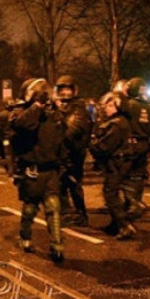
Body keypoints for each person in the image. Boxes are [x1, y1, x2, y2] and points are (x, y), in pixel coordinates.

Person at [10, 78, 67, 261]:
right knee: (30, 209)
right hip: (31, 169)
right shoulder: (20, 111)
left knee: (53, 207)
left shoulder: (54, 114)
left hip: (50, 168)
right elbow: (22, 125)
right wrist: (36, 107)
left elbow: (62, 137)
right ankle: (25, 237)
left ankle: (57, 245)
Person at [90, 91, 135, 240]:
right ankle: (115, 224)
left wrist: (93, 145)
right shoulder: (119, 122)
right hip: (119, 163)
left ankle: (124, 225)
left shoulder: (116, 125)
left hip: (116, 164)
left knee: (110, 194)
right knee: (113, 193)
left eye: (111, 105)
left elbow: (105, 146)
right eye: (107, 105)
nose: (107, 108)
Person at [54, 75, 91, 226]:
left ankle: (81, 214)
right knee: (61, 185)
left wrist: (60, 114)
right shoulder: (62, 107)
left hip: (73, 153)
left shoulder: (78, 108)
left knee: (74, 184)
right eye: (62, 89)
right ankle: (68, 212)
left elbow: (72, 132)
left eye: (68, 89)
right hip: (61, 153)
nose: (65, 93)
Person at [123, 77, 150, 220]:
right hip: (144, 143)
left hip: (130, 143)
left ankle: (132, 203)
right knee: (139, 175)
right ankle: (137, 200)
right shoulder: (148, 107)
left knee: (125, 175)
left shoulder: (129, 106)